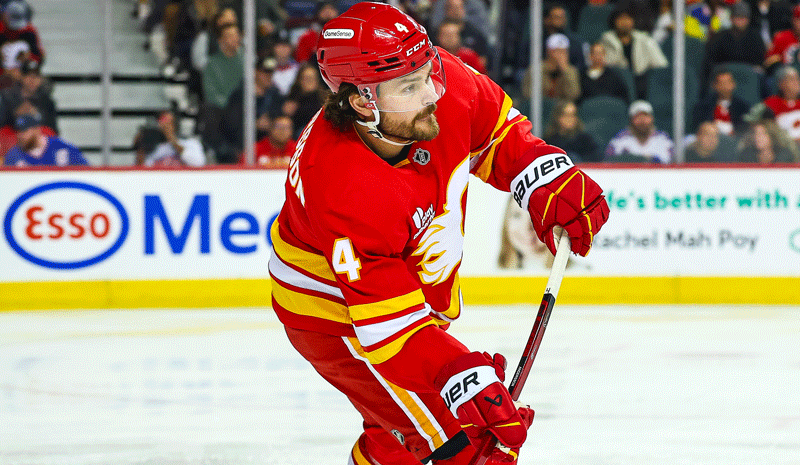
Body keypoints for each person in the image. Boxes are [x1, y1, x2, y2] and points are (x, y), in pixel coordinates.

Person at [269, 4, 609, 465]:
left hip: (413, 294)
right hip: (339, 317)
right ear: (361, 101)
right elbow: (391, 328)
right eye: (410, 87)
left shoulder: (432, 83)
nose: (432, 92)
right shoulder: (342, 182)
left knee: (402, 434)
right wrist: (456, 371)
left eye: (428, 71)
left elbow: (497, 136)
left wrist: (543, 176)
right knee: (467, 445)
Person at [600, 5, 668, 100]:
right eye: (621, 18)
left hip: (642, 83)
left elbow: (661, 64)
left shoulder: (645, 40)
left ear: (633, 21)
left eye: (628, 19)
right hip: (618, 84)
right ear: (614, 21)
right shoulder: (606, 41)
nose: (624, 22)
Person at [700, 1, 766, 88]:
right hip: (723, 74)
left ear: (748, 20)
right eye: (737, 17)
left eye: (743, 18)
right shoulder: (720, 36)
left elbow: (759, 59)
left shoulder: (755, 36)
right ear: (731, 18)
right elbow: (710, 60)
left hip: (748, 76)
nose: (740, 21)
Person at [3, 112, 87, 166]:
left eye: (24, 131)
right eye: (18, 132)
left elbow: (85, 170)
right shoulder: (13, 155)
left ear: (37, 130)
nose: (20, 136)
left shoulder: (61, 148)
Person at [605, 100, 674, 163]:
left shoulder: (663, 140)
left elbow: (674, 166)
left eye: (645, 116)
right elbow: (608, 163)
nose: (642, 120)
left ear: (652, 118)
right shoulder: (619, 141)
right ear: (631, 120)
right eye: (638, 117)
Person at [133, 110, 206, 167]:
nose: (166, 127)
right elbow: (141, 171)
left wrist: (173, 142)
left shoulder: (191, 143)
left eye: (169, 123)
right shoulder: (152, 148)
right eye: (163, 124)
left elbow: (198, 163)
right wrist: (141, 146)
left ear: (175, 124)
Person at [1, 59, 57, 132]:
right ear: (22, 77)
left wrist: (37, 116)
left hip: (38, 140)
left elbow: (53, 132)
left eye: (36, 76)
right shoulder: (8, 98)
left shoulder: (46, 101)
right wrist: (15, 115)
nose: (32, 80)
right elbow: (2, 125)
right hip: (12, 139)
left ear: (40, 79)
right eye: (28, 76)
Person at [523, 33, 580, 102]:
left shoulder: (571, 71)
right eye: (557, 51)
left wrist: (565, 71)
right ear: (548, 52)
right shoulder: (536, 69)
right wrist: (546, 70)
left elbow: (574, 95)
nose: (561, 55)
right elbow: (528, 94)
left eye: (564, 52)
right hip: (541, 106)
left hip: (562, 108)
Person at [693, 68, 750, 136]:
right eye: (722, 83)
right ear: (714, 86)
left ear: (734, 84)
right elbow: (699, 127)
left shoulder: (742, 107)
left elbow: (744, 130)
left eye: (728, 82)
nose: (726, 87)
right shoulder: (704, 106)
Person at [763, 65, 800, 143]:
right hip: (784, 146)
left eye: (797, 79)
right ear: (781, 84)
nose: (796, 83)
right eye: (792, 79)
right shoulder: (771, 103)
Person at [763, 3, 800, 74]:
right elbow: (767, 63)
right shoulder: (781, 37)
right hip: (785, 78)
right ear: (793, 20)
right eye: (798, 19)